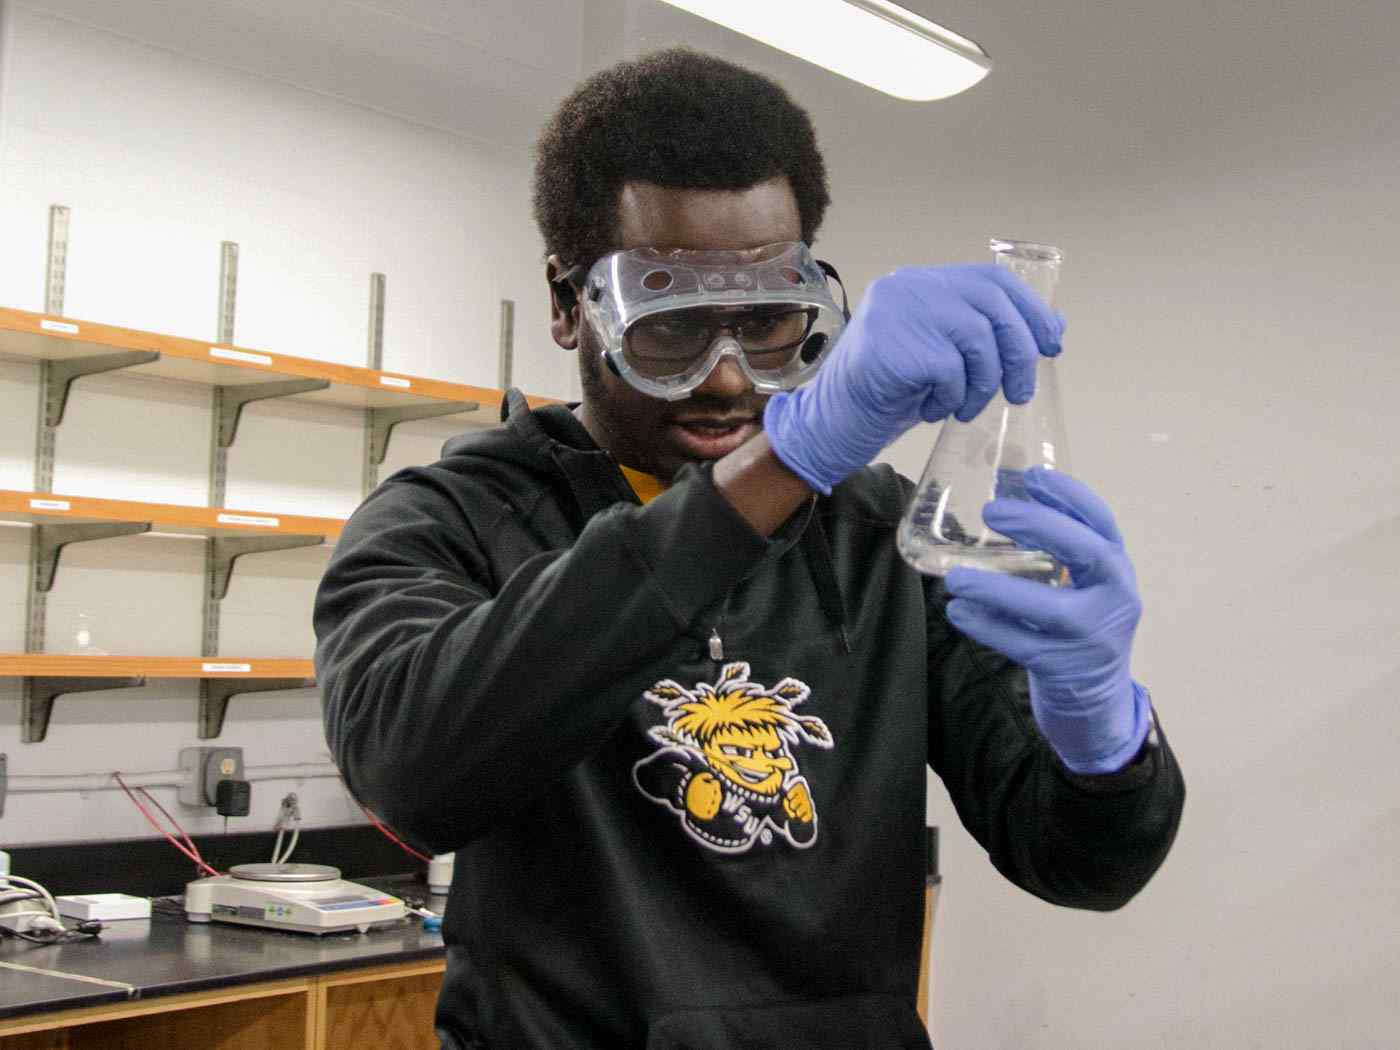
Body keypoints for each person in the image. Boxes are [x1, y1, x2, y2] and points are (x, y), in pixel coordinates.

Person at [314, 48, 1185, 1050]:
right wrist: (792, 457)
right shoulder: (447, 520)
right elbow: (412, 777)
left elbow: (1081, 865)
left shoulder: (878, 536)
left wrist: (1098, 726)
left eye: (770, 322)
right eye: (673, 326)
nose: (727, 379)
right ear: (568, 304)